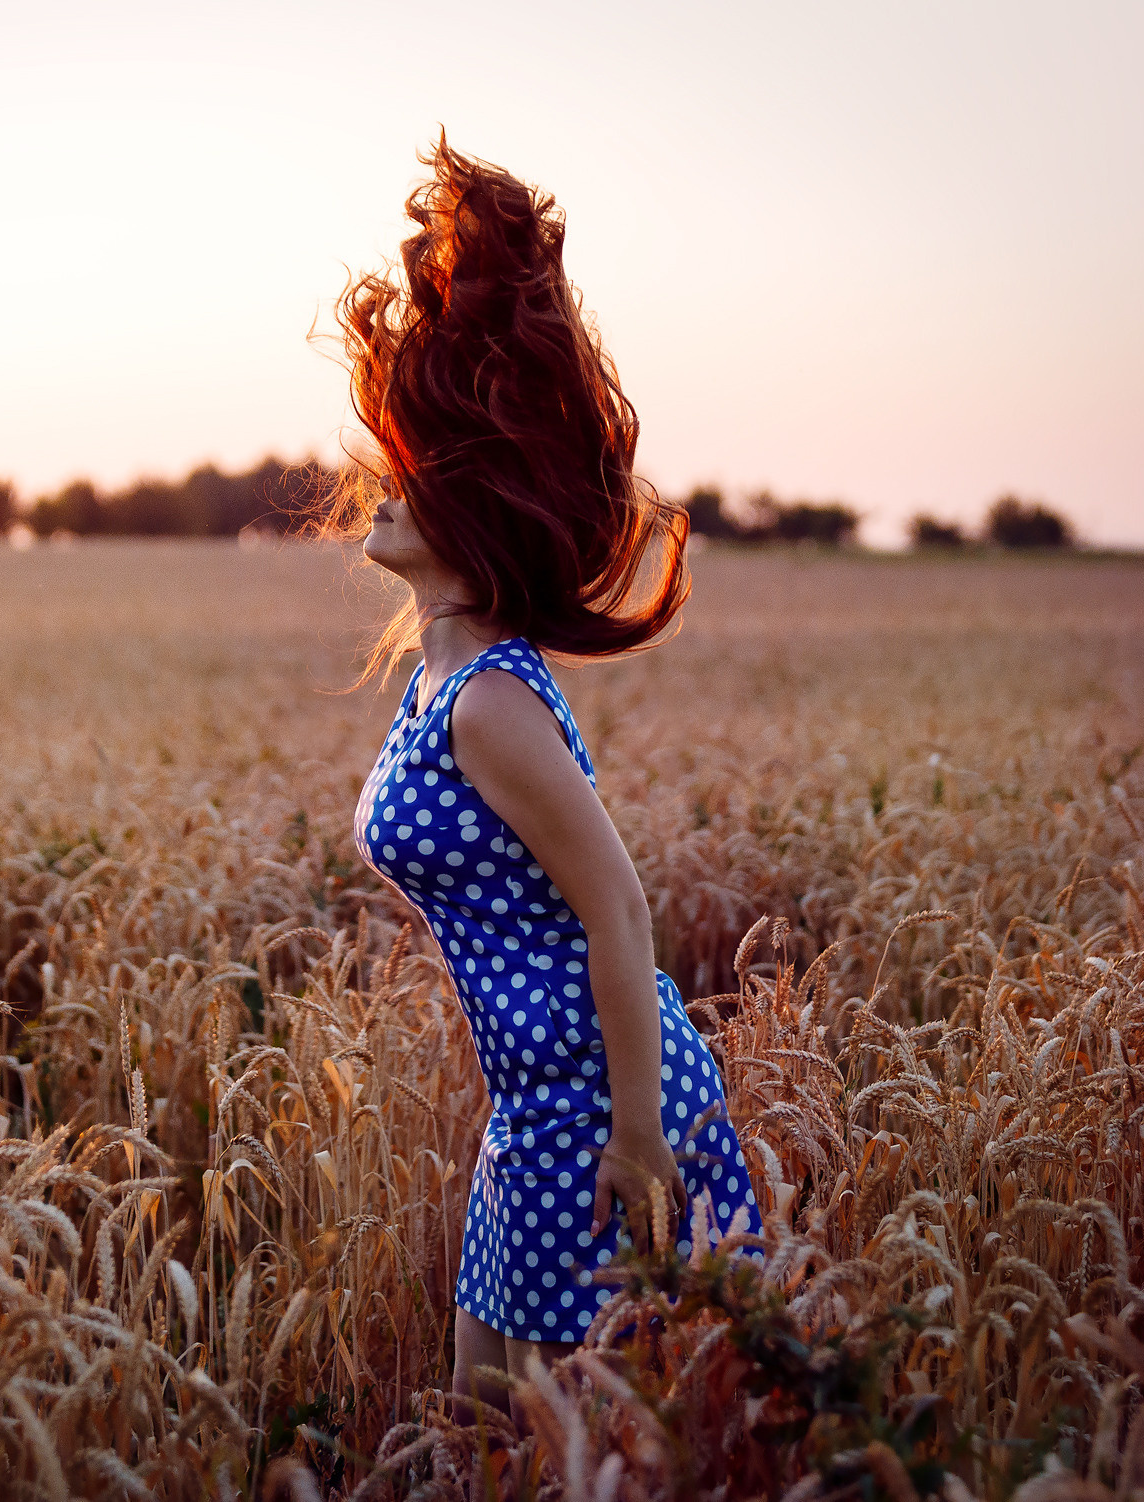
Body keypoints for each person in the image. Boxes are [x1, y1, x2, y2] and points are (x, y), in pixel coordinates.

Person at [332, 138, 762, 1417]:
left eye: (418, 481)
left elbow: (617, 907)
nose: (383, 489)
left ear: (474, 523)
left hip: (598, 1104)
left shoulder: (494, 702)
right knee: (487, 1426)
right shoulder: (439, 681)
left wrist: (634, 1133)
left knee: (582, 1434)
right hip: (533, 1109)